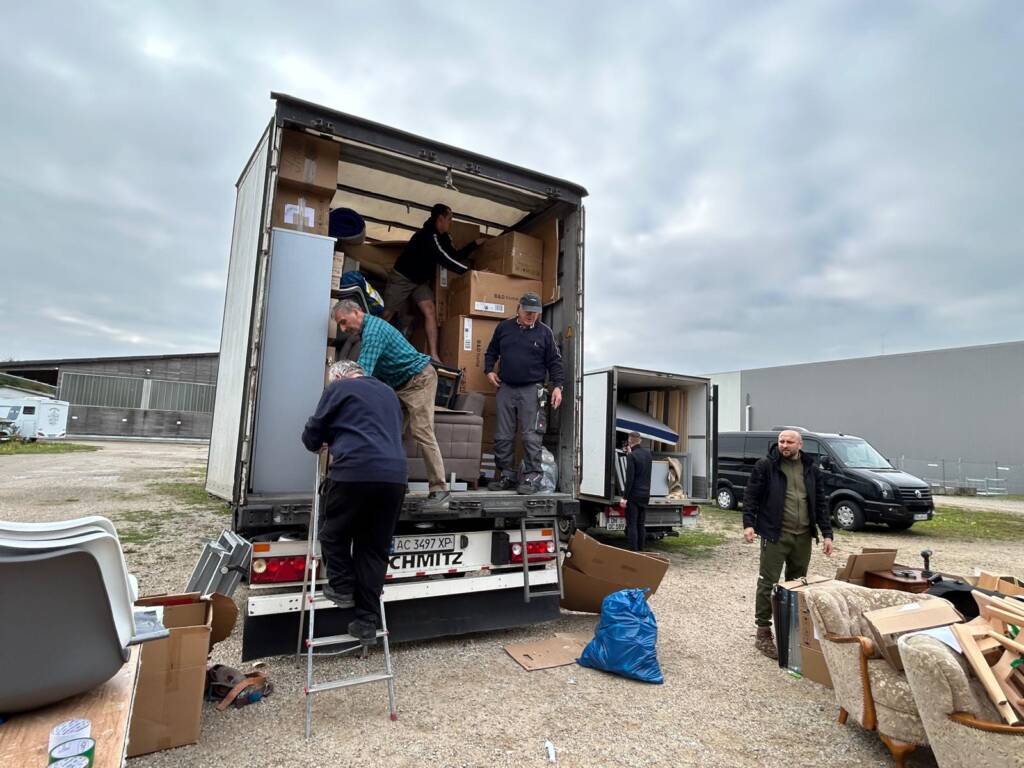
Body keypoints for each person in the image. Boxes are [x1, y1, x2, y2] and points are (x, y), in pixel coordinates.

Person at [300, 360, 407, 641]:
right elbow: (372, 428)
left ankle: (342, 587)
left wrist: (322, 440)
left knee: (333, 534)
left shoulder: (339, 387)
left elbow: (313, 433)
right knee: (373, 550)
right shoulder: (388, 392)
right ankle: (366, 622)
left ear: (338, 375)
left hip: (355, 472)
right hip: (394, 478)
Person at [332, 299, 449, 510]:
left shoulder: (373, 333)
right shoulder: (366, 332)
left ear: (356, 313)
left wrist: (339, 400)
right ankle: (399, 484)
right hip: (400, 385)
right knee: (390, 433)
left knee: (422, 431)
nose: (342, 329)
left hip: (419, 380)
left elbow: (363, 374)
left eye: (343, 322)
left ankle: (440, 490)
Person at [743, 429, 834, 659]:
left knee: (797, 584)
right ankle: (763, 632)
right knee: (768, 582)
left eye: (789, 442)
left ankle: (793, 631)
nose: (784, 445)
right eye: (781, 441)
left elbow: (820, 503)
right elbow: (751, 496)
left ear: (800, 444)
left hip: (802, 536)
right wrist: (749, 524)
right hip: (775, 534)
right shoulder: (766, 466)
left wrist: (827, 534)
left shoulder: (811, 469)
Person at [483, 292, 565, 494]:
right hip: (506, 387)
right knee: (503, 435)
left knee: (531, 436)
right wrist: (489, 370)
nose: (531, 315)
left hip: (532, 389)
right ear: (518, 308)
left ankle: (532, 477)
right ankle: (506, 475)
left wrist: (558, 386)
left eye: (535, 312)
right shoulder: (504, 328)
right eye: (528, 311)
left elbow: (555, 362)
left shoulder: (545, 333)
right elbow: (491, 351)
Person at [383, 203, 485, 361]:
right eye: (450, 219)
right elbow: (445, 259)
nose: (451, 222)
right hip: (402, 278)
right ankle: (368, 342)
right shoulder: (428, 236)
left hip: (420, 282)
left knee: (430, 310)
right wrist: (471, 273)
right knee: (387, 314)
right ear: (440, 219)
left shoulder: (445, 237)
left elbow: (454, 256)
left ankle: (434, 355)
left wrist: (474, 245)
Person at [622, 431, 652, 551]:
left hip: (634, 495)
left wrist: (625, 497)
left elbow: (630, 479)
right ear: (640, 441)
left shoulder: (632, 456)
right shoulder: (648, 454)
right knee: (641, 524)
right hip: (645, 494)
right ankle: (641, 549)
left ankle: (633, 551)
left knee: (632, 524)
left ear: (629, 441)